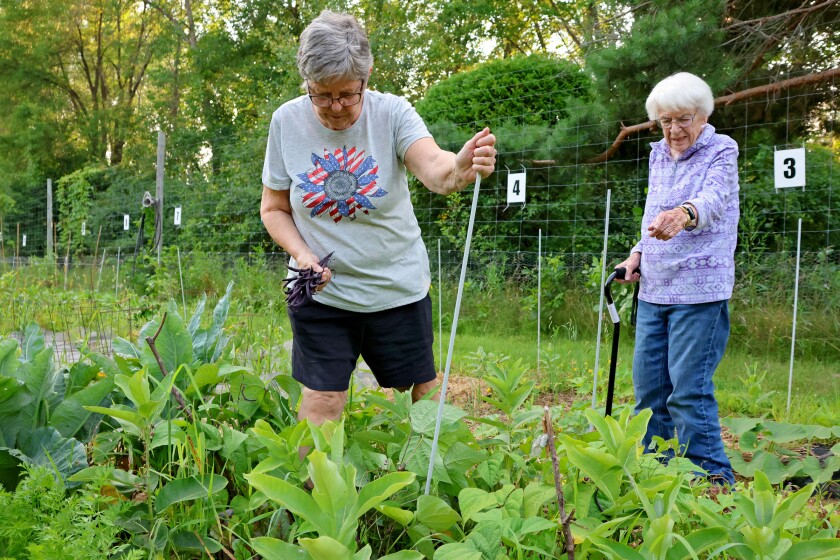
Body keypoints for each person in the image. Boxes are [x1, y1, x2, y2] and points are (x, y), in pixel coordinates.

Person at [260, 10, 497, 428]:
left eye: (348, 94)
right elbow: (274, 208)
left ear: (367, 75)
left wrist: (459, 166)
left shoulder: (392, 114)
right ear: (307, 84)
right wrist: (302, 255)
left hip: (396, 289)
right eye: (322, 95)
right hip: (322, 294)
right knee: (322, 399)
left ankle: (440, 484)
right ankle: (314, 489)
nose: (335, 107)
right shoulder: (286, 122)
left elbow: (436, 170)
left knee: (420, 394)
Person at [615, 72, 738, 486]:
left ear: (702, 115)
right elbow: (655, 213)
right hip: (654, 288)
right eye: (665, 121)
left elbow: (714, 200)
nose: (674, 130)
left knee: (687, 392)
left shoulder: (721, 149)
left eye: (683, 119)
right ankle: (655, 475)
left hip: (699, 291)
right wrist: (637, 253)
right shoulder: (658, 154)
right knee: (649, 393)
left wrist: (684, 215)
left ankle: (714, 483)